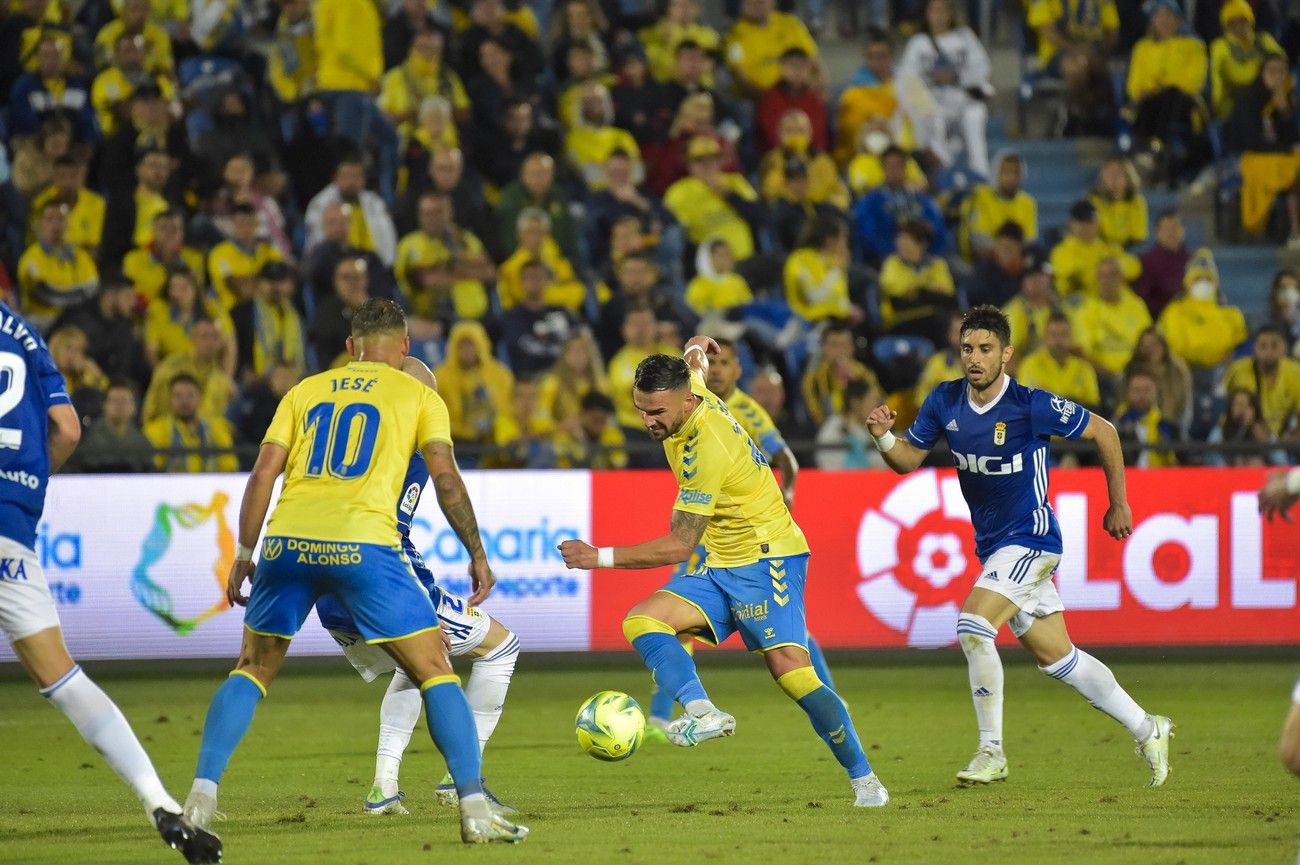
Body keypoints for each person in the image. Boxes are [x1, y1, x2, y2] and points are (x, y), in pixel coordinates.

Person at [179, 298, 528, 847]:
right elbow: (447, 479)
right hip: (364, 545)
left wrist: (244, 552)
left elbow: (262, 474)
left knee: (251, 668)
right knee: (434, 668)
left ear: (350, 349)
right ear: (406, 346)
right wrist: (478, 553)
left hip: (288, 540)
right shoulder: (418, 394)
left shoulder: (305, 390)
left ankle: (200, 795)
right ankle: (473, 807)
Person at [557, 337, 889, 808]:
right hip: (723, 562)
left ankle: (866, 780)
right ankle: (704, 711)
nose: (650, 422)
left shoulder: (703, 447)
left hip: (769, 558)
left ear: (688, 403)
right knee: (643, 620)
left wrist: (599, 557)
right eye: (642, 411)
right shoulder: (689, 387)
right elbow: (693, 363)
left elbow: (679, 544)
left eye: (658, 413)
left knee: (792, 674)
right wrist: (694, 344)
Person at [865, 304, 1173, 787]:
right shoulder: (945, 400)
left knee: (972, 624)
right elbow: (908, 460)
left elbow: (1105, 432)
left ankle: (992, 751)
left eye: (986, 349)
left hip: (1032, 539)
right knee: (1059, 659)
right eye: (967, 348)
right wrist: (884, 438)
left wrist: (1119, 503)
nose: (975, 358)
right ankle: (1148, 726)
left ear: (1006, 353)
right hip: (994, 549)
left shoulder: (1032, 405)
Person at [0, 300, 220, 864]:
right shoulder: (25, 333)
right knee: (64, 678)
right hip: (12, 528)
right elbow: (68, 429)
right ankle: (159, 802)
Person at [313, 357, 522, 816]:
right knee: (501, 648)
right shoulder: (409, 455)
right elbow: (385, 539)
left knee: (415, 665)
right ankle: (462, 781)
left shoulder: (342, 441)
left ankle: (383, 789)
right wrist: (420, 613)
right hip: (377, 584)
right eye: (424, 395)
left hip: (327, 592)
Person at [895, 0, 993, 176]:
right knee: (934, 120)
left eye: (943, 11)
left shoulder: (965, 37)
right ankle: (943, 174)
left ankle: (980, 173)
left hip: (963, 101)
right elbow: (907, 80)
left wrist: (956, 76)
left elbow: (982, 68)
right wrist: (931, 80)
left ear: (951, 14)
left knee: (975, 116)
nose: (939, 16)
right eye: (934, 11)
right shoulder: (918, 43)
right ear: (927, 14)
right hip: (934, 103)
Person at [142, 373, 240, 473]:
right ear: (169, 399)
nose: (184, 401)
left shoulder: (217, 428)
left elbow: (229, 468)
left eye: (190, 395)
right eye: (178, 396)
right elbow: (153, 469)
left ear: (200, 398)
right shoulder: (155, 430)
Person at [1220, 325, 1300, 440]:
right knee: (1214, 444)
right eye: (1262, 345)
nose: (1268, 351)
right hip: (1239, 432)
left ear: (1284, 348)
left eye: (1274, 345)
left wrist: (1291, 437)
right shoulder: (1238, 370)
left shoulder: (1296, 373)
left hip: (1279, 439)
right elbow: (1224, 407)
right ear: (1254, 348)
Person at [1016, 312, 1102, 411]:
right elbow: (1024, 404)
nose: (1058, 340)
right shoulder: (1030, 364)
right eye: (1053, 335)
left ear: (1071, 336)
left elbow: (1094, 408)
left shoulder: (1084, 368)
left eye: (1063, 334)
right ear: (1045, 337)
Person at [1111, 368, 1179, 467]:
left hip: (1161, 477)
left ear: (1156, 391)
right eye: (1136, 390)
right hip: (1128, 478)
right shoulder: (1117, 423)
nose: (1142, 396)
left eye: (1147, 390)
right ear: (1128, 393)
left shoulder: (1168, 424)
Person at [815, 377, 887, 469]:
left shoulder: (876, 430)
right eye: (872, 401)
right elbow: (825, 458)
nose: (877, 407)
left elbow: (882, 464)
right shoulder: (834, 426)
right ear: (855, 402)